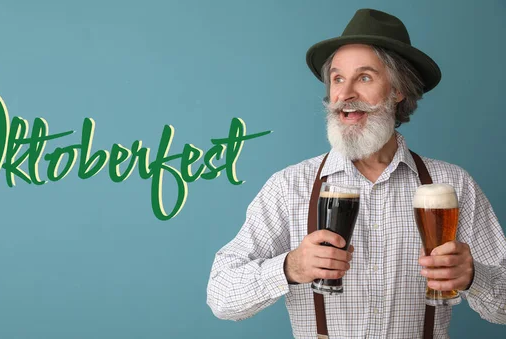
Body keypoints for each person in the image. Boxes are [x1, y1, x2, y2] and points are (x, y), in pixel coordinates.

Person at [206, 8, 506, 338]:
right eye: (337, 78)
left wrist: (475, 276)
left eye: (364, 77)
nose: (345, 94)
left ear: (398, 90)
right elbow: (221, 297)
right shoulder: (289, 186)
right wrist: (290, 267)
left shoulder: (453, 185)